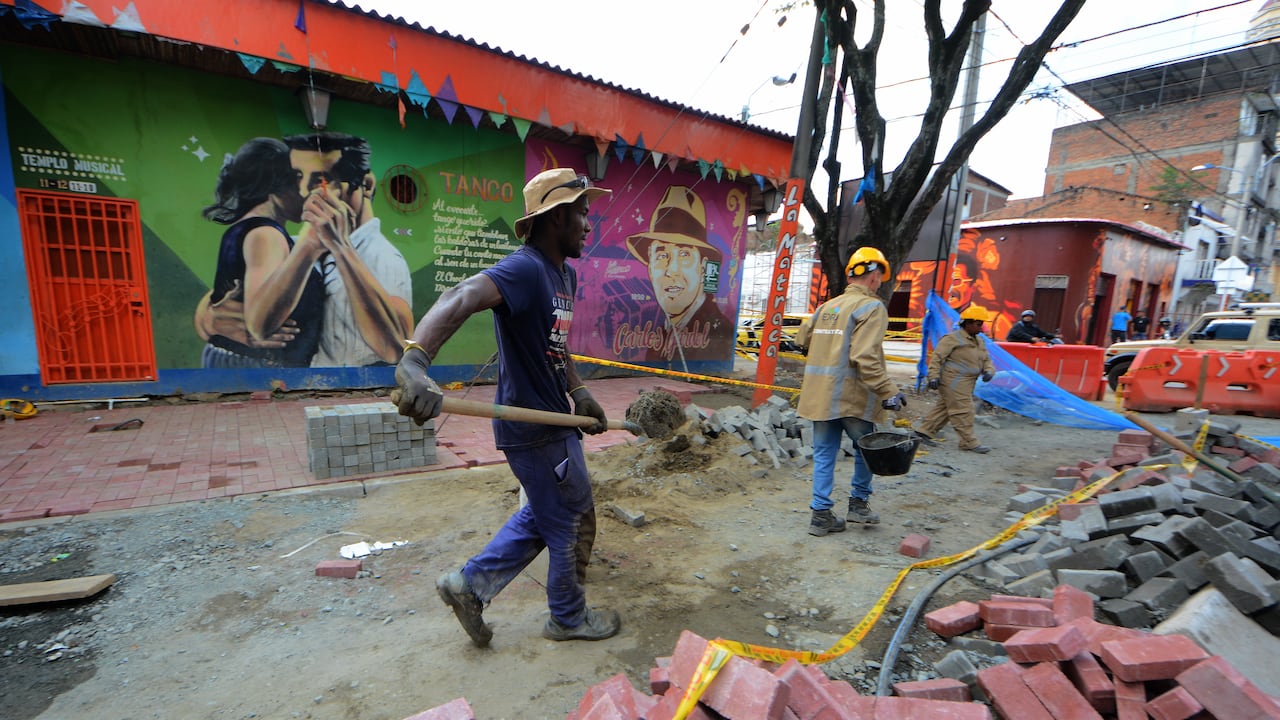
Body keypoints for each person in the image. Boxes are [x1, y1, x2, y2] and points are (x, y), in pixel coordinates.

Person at [393, 168, 620, 647]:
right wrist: (415, 360)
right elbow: (461, 295)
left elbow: (556, 344)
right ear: (556, 217)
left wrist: (579, 391)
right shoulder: (526, 268)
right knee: (569, 519)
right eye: (582, 214)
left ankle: (469, 586)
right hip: (533, 427)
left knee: (545, 513)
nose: (588, 224)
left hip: (555, 418)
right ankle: (568, 618)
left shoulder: (563, 274)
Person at [195, 133, 413, 368]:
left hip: (341, 386)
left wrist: (341, 248)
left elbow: (396, 350)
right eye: (297, 177)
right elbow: (231, 296)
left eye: (321, 179)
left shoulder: (383, 257)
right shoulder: (296, 242)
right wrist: (209, 317)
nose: (303, 192)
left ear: (366, 185)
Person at [795, 246, 906, 537]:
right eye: (881, 276)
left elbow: (801, 338)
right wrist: (888, 390)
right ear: (874, 274)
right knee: (867, 450)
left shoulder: (827, 307)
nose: (880, 282)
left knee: (824, 453)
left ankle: (820, 515)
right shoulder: (871, 308)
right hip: (851, 397)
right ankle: (858, 505)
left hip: (821, 396)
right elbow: (864, 356)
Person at [198, 137, 325, 368]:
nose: (306, 193)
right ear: (276, 186)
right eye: (298, 181)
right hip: (257, 367)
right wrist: (311, 246)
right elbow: (261, 325)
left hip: (240, 361)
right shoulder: (266, 236)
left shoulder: (248, 229)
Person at [626, 186, 731, 364]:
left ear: (703, 266)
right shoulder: (663, 332)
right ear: (650, 268)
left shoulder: (719, 333)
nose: (671, 270)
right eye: (661, 256)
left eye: (684, 254)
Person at [917, 305, 996, 454]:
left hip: (967, 382)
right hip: (954, 381)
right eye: (978, 324)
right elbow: (937, 358)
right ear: (968, 323)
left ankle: (923, 432)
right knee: (963, 411)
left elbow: (986, 359)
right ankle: (968, 442)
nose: (981, 328)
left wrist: (989, 371)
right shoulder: (952, 339)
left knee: (946, 408)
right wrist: (933, 377)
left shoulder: (979, 341)